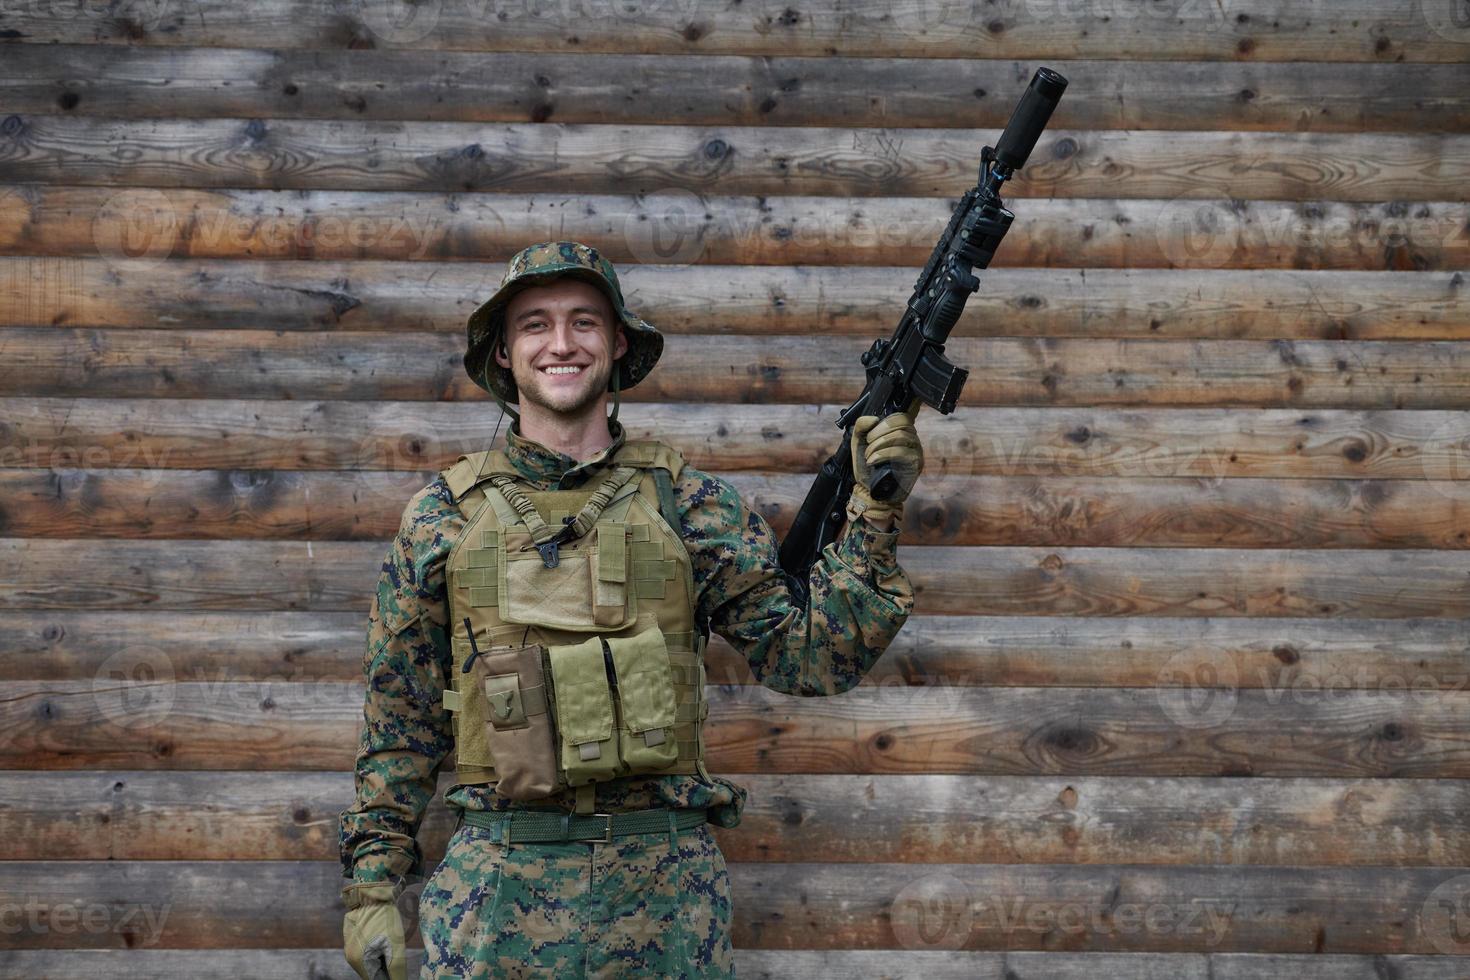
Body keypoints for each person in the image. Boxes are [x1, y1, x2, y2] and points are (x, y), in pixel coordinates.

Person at [339, 241, 924, 979]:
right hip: (496, 892)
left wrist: (874, 513)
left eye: (584, 322)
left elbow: (808, 657)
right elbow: (401, 716)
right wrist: (371, 884)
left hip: (665, 891)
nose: (561, 344)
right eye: (535, 325)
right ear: (502, 354)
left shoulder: (691, 504)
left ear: (617, 344)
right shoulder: (441, 519)